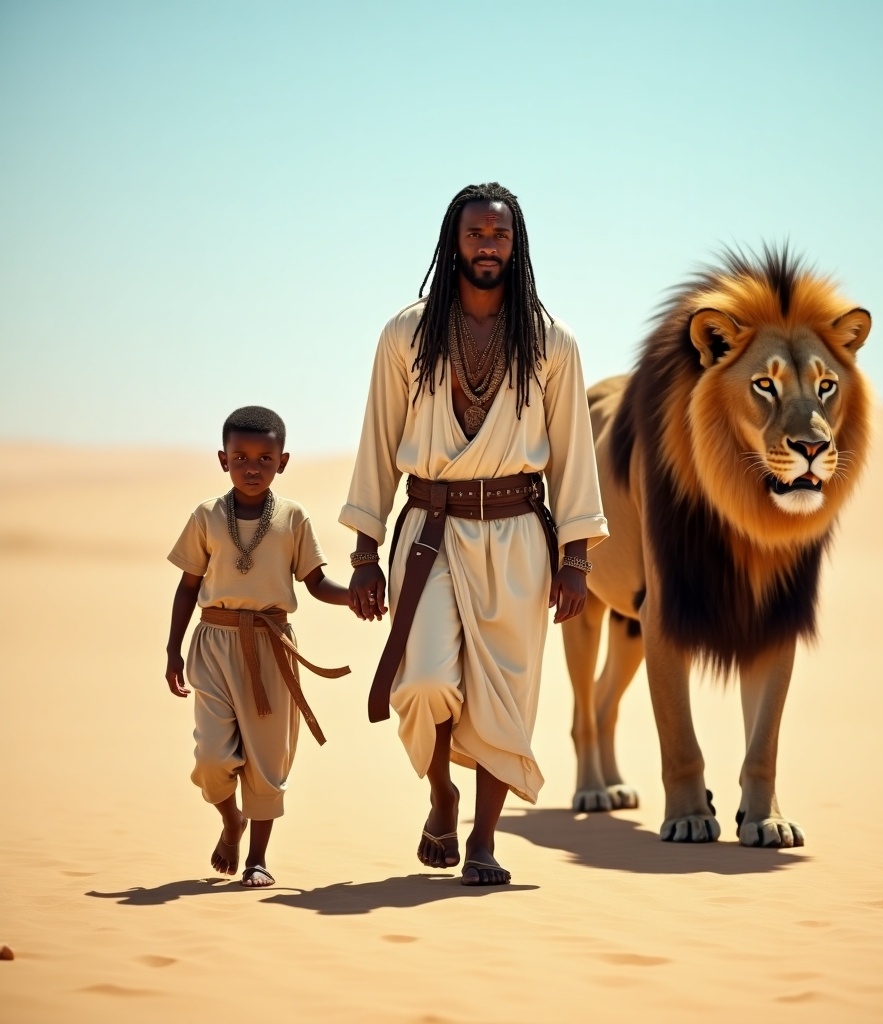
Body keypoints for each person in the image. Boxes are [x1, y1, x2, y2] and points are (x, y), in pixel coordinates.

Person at [340, 182, 607, 886]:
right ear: (453, 242)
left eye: (499, 235)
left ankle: (484, 840)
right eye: (475, 234)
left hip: (519, 536)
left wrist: (576, 559)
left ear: (515, 246)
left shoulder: (553, 341)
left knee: (505, 701)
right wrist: (364, 553)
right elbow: (376, 442)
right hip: (429, 530)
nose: (487, 246)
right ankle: (441, 794)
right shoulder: (407, 333)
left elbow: (576, 453)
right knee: (423, 682)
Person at [165, 406, 351, 888]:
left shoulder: (294, 518)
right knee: (212, 757)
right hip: (213, 644)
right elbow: (188, 586)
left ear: (283, 461)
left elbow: (315, 582)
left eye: (265, 458)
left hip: (272, 648)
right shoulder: (205, 516)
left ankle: (258, 858)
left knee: (268, 761)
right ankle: (231, 821)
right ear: (222, 459)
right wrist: (171, 651)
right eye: (241, 456)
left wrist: (355, 597)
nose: (253, 467)